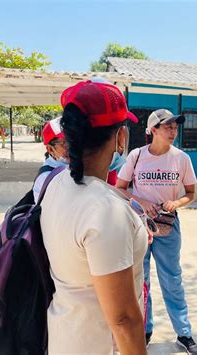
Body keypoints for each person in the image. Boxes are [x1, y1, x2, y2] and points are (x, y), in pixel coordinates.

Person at [40, 80, 148, 354]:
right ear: (121, 137)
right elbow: (124, 320)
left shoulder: (54, 183)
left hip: (65, 337)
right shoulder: (105, 210)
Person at [116, 109, 197, 354]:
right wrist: (141, 202)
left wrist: (177, 203)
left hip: (168, 227)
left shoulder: (181, 158)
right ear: (153, 130)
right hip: (138, 226)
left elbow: (191, 193)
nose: (173, 131)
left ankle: (184, 333)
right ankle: (144, 330)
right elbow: (120, 188)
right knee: (140, 281)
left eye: (175, 127)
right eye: (168, 127)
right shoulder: (136, 156)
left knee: (172, 279)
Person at [32, 117, 69, 203]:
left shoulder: (70, 167)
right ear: (50, 149)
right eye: (65, 143)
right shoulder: (47, 177)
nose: (72, 147)